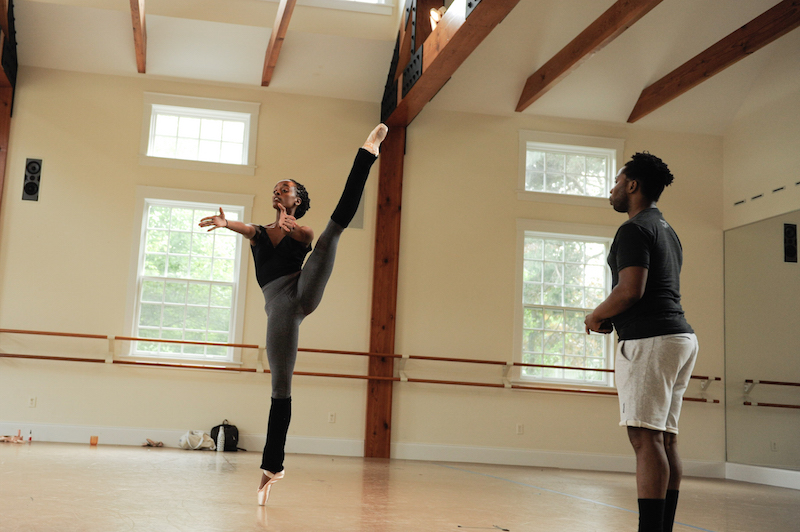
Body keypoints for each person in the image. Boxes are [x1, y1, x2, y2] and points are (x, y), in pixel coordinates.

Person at [199, 123, 388, 505]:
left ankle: (367, 152)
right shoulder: (259, 231)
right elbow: (247, 228)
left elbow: (306, 237)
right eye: (275, 188)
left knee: (332, 233)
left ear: (297, 198)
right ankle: (273, 469)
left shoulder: (300, 228)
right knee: (280, 390)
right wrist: (225, 223)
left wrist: (296, 228)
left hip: (304, 288)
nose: (277, 191)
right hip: (281, 308)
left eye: (284, 188)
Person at [584, 153, 698, 532]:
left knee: (644, 437)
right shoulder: (666, 228)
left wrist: (596, 315)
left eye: (617, 182)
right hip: (679, 338)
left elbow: (630, 290)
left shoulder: (633, 229)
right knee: (664, 438)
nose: (612, 190)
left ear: (632, 185)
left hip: (652, 340)